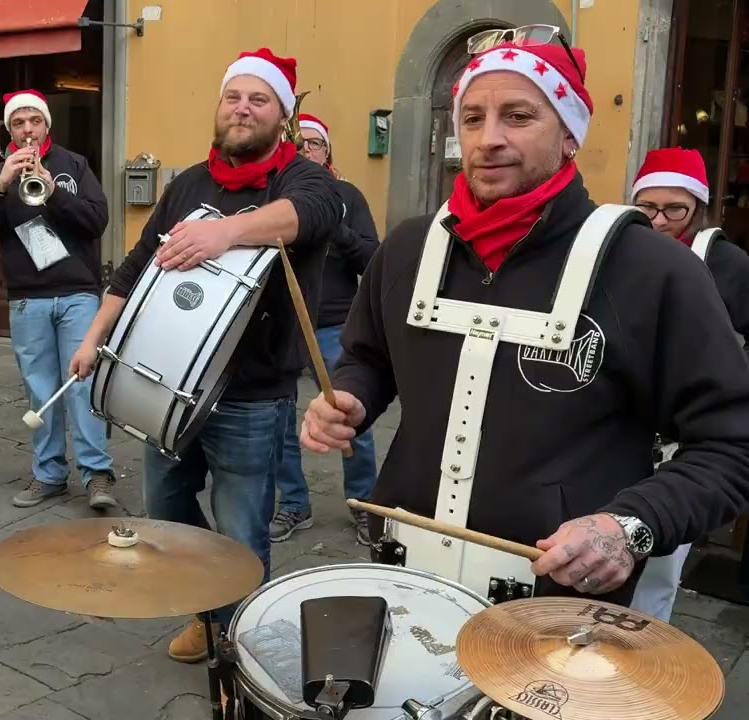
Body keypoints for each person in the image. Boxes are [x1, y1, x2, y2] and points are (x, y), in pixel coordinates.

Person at [300, 31, 749, 607]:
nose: (489, 139)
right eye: (472, 118)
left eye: (518, 116)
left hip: (559, 605)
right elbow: (371, 356)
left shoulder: (653, 269)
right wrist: (353, 398)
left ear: (568, 135)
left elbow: (731, 444)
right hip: (406, 567)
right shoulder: (409, 247)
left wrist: (630, 527)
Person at [69, 48, 344, 662]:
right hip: (167, 384)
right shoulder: (187, 184)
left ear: (283, 115)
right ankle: (207, 609)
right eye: (233, 96)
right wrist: (93, 338)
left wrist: (223, 231)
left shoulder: (302, 177)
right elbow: (136, 267)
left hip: (251, 393)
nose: (242, 109)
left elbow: (314, 214)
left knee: (242, 528)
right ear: (219, 106)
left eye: (259, 100)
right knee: (165, 514)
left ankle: (242, 634)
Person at [0, 88, 118, 510]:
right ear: (11, 130)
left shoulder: (74, 165)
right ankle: (49, 474)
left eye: (34, 120)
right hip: (26, 298)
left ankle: (97, 475)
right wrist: (0, 186)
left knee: (81, 386)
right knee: (41, 391)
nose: (27, 129)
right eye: (18, 123)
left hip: (76, 293)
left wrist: (54, 191)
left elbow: (97, 221)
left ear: (46, 124)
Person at [627, 147, 749, 621]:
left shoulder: (728, 264)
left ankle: (642, 648)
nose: (659, 220)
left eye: (674, 208)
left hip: (680, 442)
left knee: (659, 561)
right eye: (647, 206)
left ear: (697, 208)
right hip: (618, 427)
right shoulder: (620, 250)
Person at [272, 112, 381, 544]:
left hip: (336, 325)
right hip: (285, 326)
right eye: (298, 145)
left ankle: (363, 503)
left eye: (314, 143)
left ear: (328, 151)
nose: (306, 151)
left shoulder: (348, 196)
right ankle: (294, 504)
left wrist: (337, 229)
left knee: (352, 418)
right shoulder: (278, 198)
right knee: (278, 423)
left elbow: (373, 259)